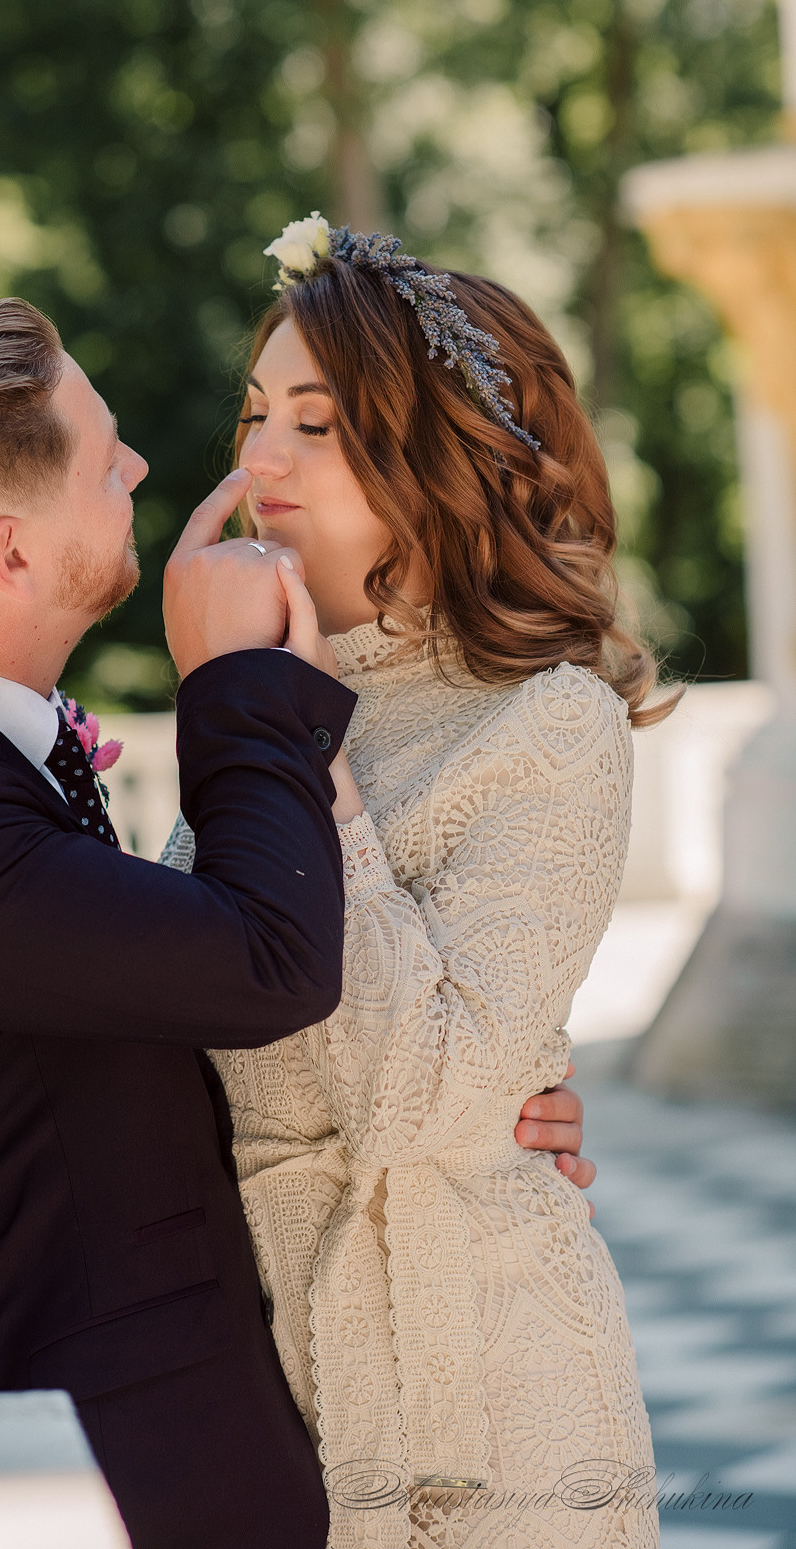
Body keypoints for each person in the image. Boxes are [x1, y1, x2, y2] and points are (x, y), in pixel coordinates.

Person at [0, 293, 593, 1549]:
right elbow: (265, 959)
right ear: (12, 552)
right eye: (102, 457)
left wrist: (486, 1101)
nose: (147, 464)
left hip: (251, 1428)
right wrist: (236, 687)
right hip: (118, 1476)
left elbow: (165, 1010)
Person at [164, 217, 661, 1547]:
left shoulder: (547, 724)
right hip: (257, 1371)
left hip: (484, 1407)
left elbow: (425, 1098)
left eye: (314, 426)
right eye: (256, 413)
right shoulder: (264, 699)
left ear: (429, 457)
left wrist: (295, 759)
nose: (257, 457)